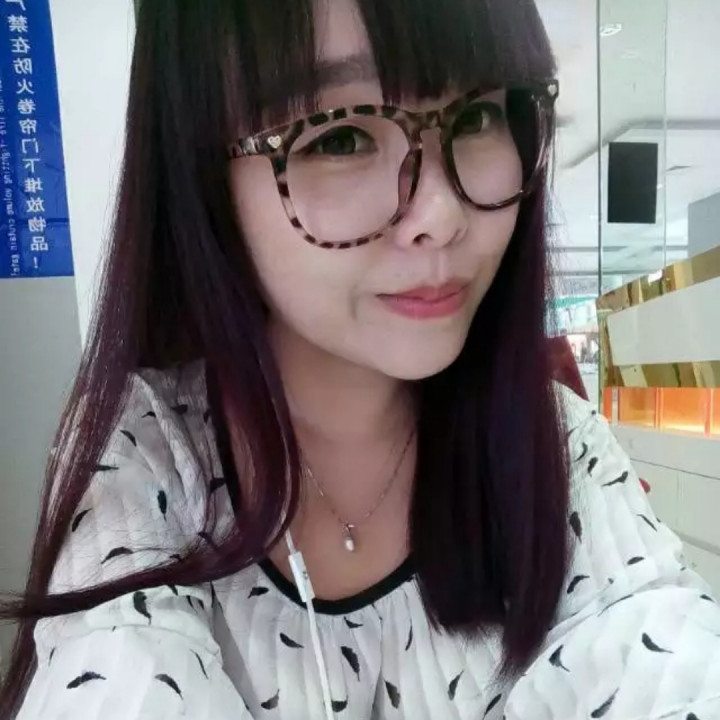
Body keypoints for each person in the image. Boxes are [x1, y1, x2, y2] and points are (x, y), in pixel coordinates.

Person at [1, 0, 719, 718]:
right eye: (340, 136)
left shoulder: (557, 444)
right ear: (201, 175)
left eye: (477, 117)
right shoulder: (148, 458)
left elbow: (659, 647)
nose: (441, 215)